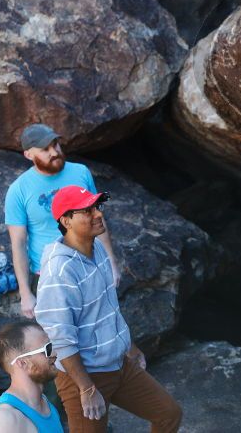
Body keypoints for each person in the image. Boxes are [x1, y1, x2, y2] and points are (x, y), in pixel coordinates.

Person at [34, 185, 182, 433]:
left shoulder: (97, 248)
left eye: (97, 207)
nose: (98, 214)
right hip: (83, 376)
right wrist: (87, 389)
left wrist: (128, 346)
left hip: (118, 364)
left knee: (169, 415)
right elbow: (61, 338)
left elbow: (107, 309)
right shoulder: (59, 271)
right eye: (87, 210)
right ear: (66, 220)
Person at [5, 123, 121, 319]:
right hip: (50, 275)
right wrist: (25, 293)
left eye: (56, 145)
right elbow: (18, 244)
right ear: (28, 155)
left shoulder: (81, 172)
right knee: (62, 338)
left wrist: (111, 262)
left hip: (89, 265)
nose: (54, 152)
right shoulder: (18, 191)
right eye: (45, 149)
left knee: (101, 325)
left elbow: (97, 219)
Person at [0, 320, 63, 433]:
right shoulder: (4, 420)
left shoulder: (44, 402)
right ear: (23, 363)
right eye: (47, 349)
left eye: (52, 346)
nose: (54, 353)